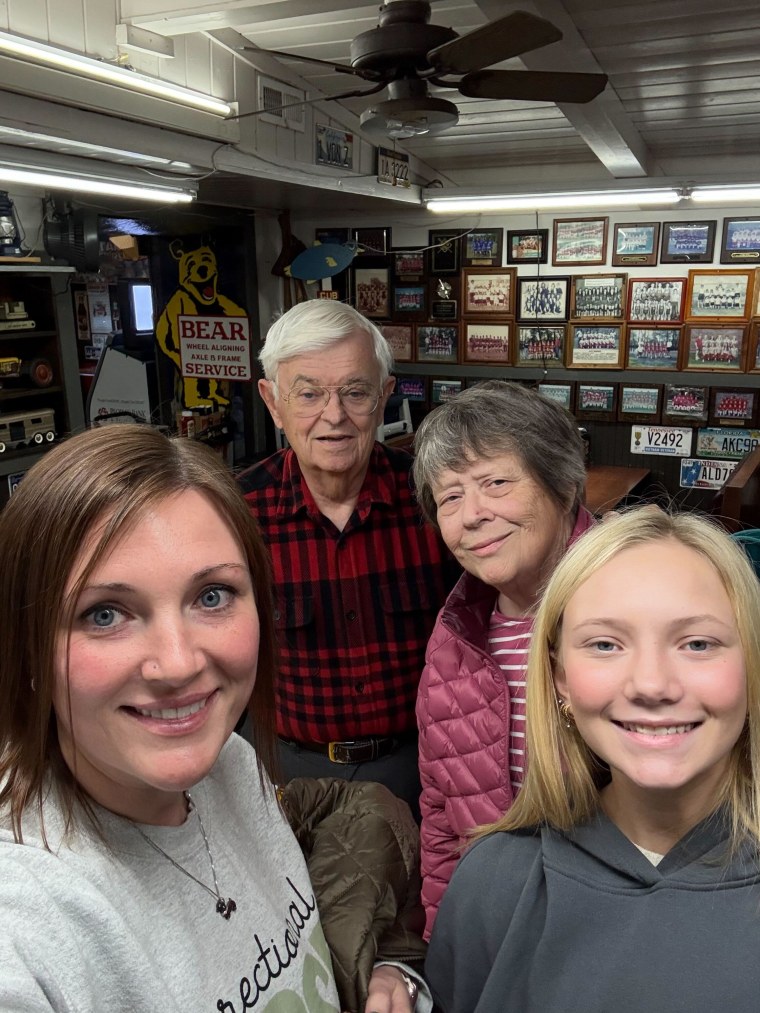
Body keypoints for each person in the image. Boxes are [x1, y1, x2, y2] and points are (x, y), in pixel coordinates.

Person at [0, 424, 427, 1013]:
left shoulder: (229, 760)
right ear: (25, 648)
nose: (178, 664)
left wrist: (370, 970)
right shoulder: (27, 918)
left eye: (211, 596)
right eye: (104, 614)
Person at [426, 506, 760, 1012]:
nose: (651, 685)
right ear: (559, 678)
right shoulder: (494, 885)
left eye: (697, 643)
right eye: (605, 644)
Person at [239, 300, 459, 818]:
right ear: (273, 402)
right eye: (308, 394)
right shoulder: (233, 514)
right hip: (281, 773)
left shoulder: (438, 500)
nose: (333, 416)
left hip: (422, 767)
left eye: (355, 392)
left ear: (384, 397)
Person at [412, 380, 594, 936]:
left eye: (495, 483)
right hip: (501, 932)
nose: (472, 515)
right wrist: (446, 946)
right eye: (450, 497)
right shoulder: (453, 644)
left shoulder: (638, 607)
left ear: (562, 484)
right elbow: (443, 818)